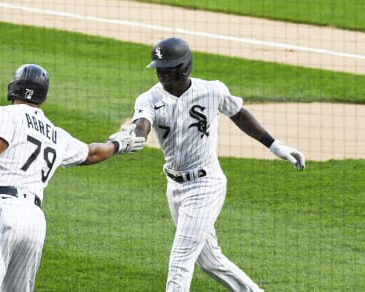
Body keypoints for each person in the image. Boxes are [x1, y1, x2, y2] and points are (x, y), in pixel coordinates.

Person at [0, 64, 145, 292]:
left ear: (13, 88)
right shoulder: (55, 134)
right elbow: (92, 152)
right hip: (33, 222)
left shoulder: (4, 114)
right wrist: (119, 144)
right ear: (43, 98)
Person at [130, 37, 305, 292]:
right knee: (210, 261)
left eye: (168, 67)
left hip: (206, 184)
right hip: (175, 187)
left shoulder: (212, 91)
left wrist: (275, 145)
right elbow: (141, 126)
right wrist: (132, 138)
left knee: (180, 260)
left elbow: (238, 113)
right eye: (159, 67)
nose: (161, 72)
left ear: (185, 67)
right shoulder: (148, 98)